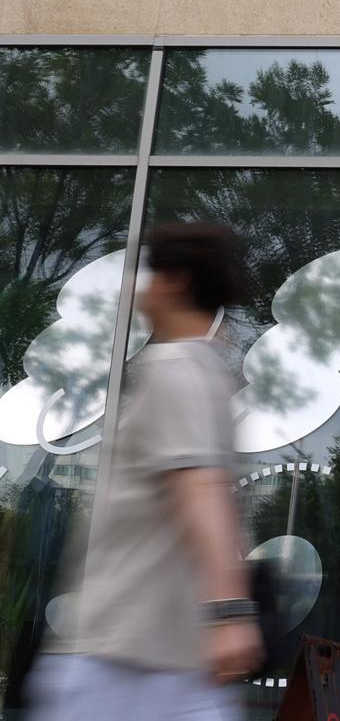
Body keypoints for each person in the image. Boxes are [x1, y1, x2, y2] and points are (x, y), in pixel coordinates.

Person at [29, 223, 262, 720]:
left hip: (122, 662)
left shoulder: (176, 369)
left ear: (176, 282)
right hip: (167, 660)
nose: (141, 289)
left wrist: (230, 612)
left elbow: (200, 491)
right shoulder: (207, 373)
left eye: (151, 275)